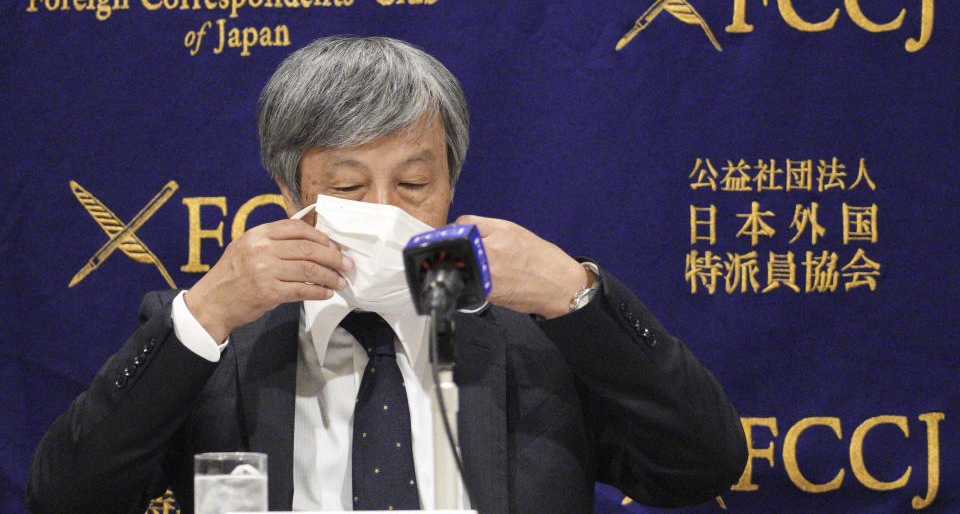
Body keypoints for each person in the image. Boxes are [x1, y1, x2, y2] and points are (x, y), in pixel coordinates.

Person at [28, 36, 747, 513]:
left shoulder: (535, 334)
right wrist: (205, 314)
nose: (382, 212)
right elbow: (70, 498)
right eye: (347, 188)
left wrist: (577, 297)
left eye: (412, 186)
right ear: (288, 194)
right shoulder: (222, 341)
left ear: (451, 189)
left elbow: (701, 465)